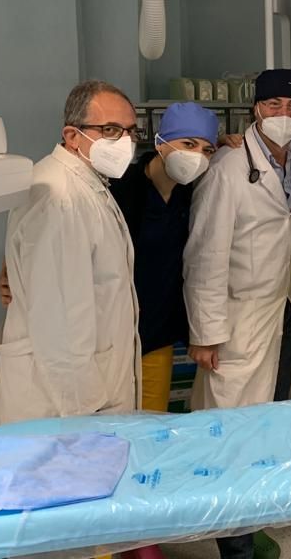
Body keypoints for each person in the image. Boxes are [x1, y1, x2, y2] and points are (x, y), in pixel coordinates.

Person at [184, 69, 291, 559]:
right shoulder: (228, 167)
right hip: (235, 320)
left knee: (267, 427)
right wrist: (205, 332)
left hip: (279, 312)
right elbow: (205, 254)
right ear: (256, 109)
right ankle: (234, 545)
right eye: (274, 105)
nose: (284, 115)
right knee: (232, 436)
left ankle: (251, 522)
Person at [0, 80, 141, 427]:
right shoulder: (61, 198)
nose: (125, 142)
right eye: (110, 130)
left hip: (88, 388)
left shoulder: (85, 185)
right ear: (73, 136)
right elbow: (60, 325)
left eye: (131, 131)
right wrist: (85, 417)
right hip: (66, 405)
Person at [110, 102, 219, 413]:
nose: (197, 156)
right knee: (107, 422)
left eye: (207, 150)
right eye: (188, 144)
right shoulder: (121, 189)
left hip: (157, 333)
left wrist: (225, 143)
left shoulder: (191, 194)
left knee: (151, 419)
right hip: (113, 333)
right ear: (160, 142)